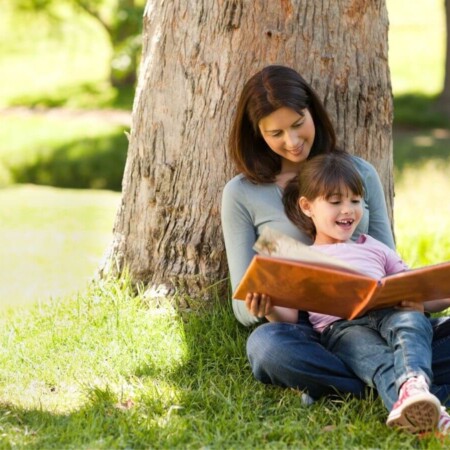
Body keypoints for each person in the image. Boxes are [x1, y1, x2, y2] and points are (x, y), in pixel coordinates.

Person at [221, 65, 450, 414]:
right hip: (313, 327)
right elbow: (241, 300)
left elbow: (387, 259)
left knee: (409, 326)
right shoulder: (241, 193)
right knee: (267, 348)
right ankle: (409, 381)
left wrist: (418, 295)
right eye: (276, 133)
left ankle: (376, 385)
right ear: (257, 134)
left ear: (313, 111)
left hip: (381, 313)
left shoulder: (358, 173)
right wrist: (262, 303)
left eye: (298, 124)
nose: (292, 141)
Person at [281, 151, 450, 434]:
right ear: (307, 206)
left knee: (411, 322)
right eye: (335, 202)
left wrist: (439, 294)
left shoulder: (373, 245)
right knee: (378, 359)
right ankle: (425, 414)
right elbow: (286, 317)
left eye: (355, 201)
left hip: (390, 311)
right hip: (343, 329)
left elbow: (414, 286)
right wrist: (267, 306)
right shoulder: (302, 259)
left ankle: (414, 386)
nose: (348, 210)